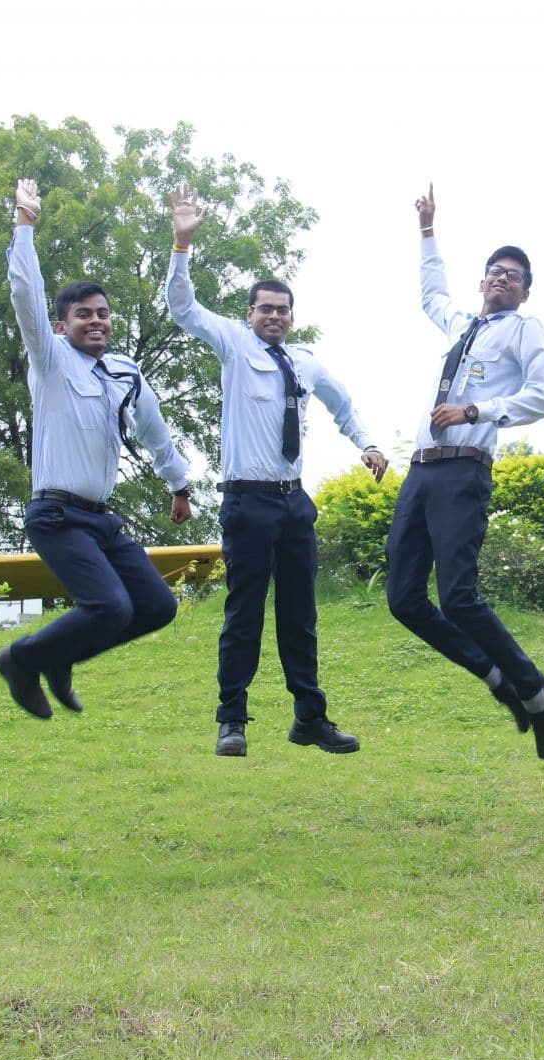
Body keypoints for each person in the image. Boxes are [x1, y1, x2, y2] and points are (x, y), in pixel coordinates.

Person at [165, 183, 388, 758]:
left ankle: (310, 718)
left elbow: (343, 404)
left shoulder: (306, 362)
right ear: (250, 313)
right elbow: (183, 309)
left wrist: (367, 444)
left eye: (282, 309)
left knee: (300, 616)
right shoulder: (234, 346)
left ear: (293, 316)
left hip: (293, 504)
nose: (274, 316)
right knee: (244, 613)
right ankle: (231, 720)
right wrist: (182, 244)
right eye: (264, 308)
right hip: (247, 501)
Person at [0, 178, 195, 721]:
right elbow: (24, 296)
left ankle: (60, 660)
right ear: (62, 326)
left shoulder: (125, 371)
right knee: (108, 607)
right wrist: (25, 227)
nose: (97, 321)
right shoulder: (51, 360)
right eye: (84, 315)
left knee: (155, 607)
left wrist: (179, 485)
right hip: (57, 515)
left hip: (102, 519)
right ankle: (21, 659)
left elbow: (155, 430)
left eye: (103, 313)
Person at [385, 184, 544, 759]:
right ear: (482, 280)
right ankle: (500, 682)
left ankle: (535, 692)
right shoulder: (462, 325)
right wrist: (428, 231)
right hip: (421, 472)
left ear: (525, 289)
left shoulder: (524, 330)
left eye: (513, 274)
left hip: (463, 471)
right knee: (404, 599)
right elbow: (432, 293)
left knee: (458, 598)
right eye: (494, 271)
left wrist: (475, 410)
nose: (501, 278)